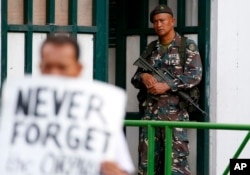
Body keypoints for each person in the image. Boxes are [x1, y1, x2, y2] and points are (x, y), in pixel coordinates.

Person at [40, 35, 134, 175]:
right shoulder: (20, 115)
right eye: (48, 67)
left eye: (62, 67)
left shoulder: (101, 116)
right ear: (40, 68)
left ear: (78, 69)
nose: (54, 73)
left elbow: (123, 168)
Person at [131, 4, 202, 175]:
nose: (158, 24)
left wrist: (168, 85)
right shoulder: (151, 49)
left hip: (175, 117)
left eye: (162, 20)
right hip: (151, 116)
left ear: (172, 21)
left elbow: (195, 75)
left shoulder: (186, 46)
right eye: (155, 21)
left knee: (176, 166)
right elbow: (135, 77)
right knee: (148, 166)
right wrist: (144, 77)